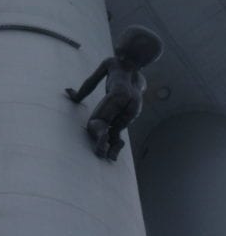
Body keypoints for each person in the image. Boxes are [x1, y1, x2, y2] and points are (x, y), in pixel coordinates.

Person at [65, 25, 163, 160]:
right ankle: (116, 143)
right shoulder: (142, 79)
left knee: (97, 121)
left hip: (119, 93)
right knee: (116, 129)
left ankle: (101, 135)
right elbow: (139, 91)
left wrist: (77, 97)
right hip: (136, 103)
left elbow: (92, 82)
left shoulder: (112, 62)